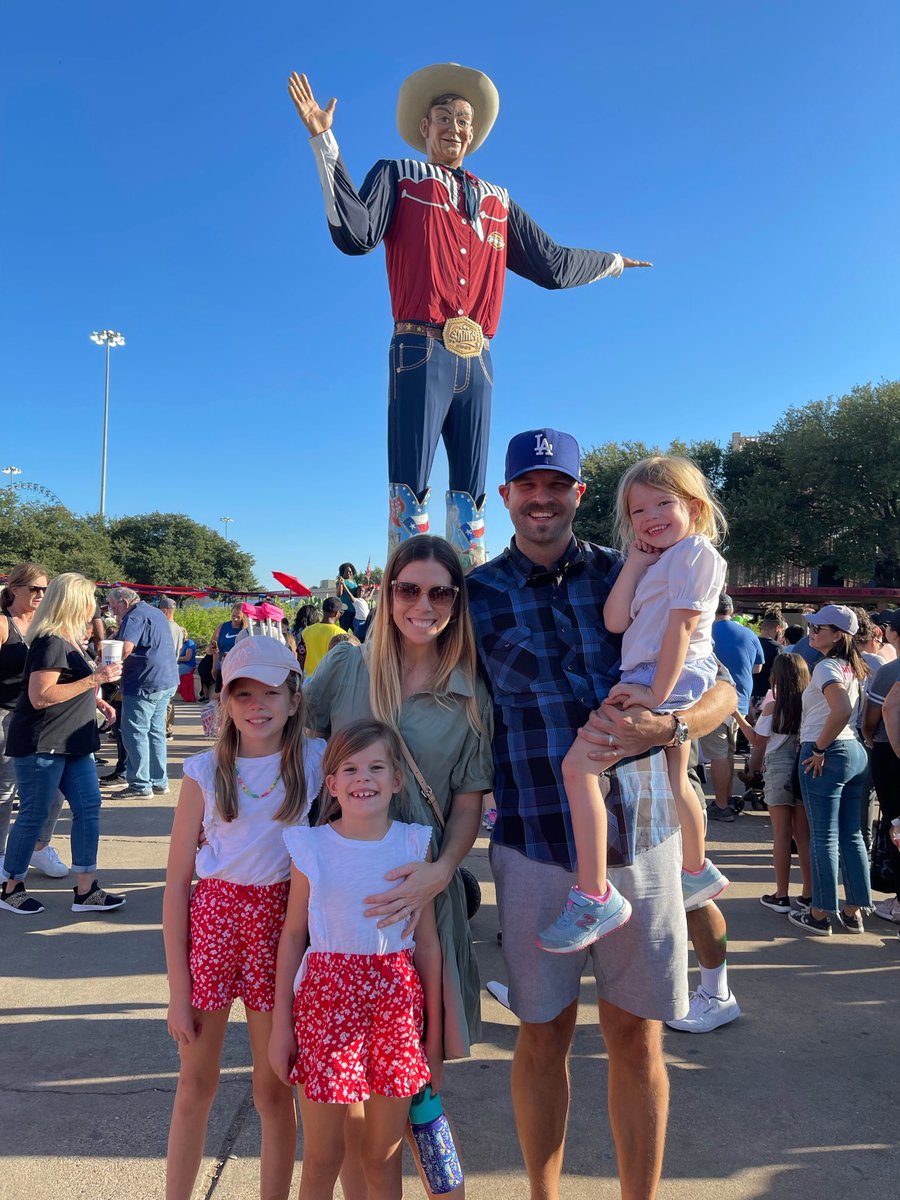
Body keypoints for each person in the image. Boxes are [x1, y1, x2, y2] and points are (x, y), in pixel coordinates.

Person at [467, 429, 738, 1199]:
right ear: (508, 496)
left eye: (558, 484)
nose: (543, 497)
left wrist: (677, 725)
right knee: (542, 1036)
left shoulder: (645, 568)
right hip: (534, 845)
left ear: (579, 495)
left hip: (644, 838)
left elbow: (720, 687)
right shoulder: (478, 594)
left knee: (636, 1037)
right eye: (529, 485)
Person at [288, 64, 651, 565]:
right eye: (443, 117)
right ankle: (410, 592)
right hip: (419, 347)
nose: (454, 127)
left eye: (463, 120)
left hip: (478, 354)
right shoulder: (399, 176)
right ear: (424, 128)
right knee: (410, 488)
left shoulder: (498, 201)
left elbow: (553, 264)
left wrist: (612, 263)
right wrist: (325, 142)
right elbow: (355, 233)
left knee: (472, 494)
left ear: (473, 133)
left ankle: (470, 598)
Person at [303, 535, 492, 1197]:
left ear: (457, 601)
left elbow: (468, 805)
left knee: (413, 1097)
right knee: (350, 1114)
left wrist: (443, 872)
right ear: (386, 595)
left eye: (441, 591)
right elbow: (298, 730)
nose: (424, 604)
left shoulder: (468, 692)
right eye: (409, 589)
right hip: (341, 904)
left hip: (420, 902)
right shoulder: (347, 667)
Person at [538, 455, 729, 953]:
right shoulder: (662, 560)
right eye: (637, 510)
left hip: (660, 679)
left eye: (662, 503)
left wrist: (655, 696)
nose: (650, 517)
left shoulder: (695, 554)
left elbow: (683, 629)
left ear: (694, 505)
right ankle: (696, 868)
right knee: (676, 774)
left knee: (579, 769)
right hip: (650, 676)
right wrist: (638, 563)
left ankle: (595, 893)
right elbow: (617, 620)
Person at [162, 635, 326, 1200]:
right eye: (242, 693)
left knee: (274, 1087)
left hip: (281, 927)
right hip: (214, 922)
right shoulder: (205, 771)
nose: (257, 705)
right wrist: (178, 990)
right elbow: (178, 883)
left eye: (270, 693)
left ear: (294, 697)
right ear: (225, 699)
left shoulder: (317, 759)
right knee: (195, 1082)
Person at [269, 721, 443, 1200]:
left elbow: (427, 945)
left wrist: (435, 1034)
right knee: (323, 1157)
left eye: (375, 767)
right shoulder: (312, 847)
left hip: (396, 1009)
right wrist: (282, 1024)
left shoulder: (413, 844)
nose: (362, 778)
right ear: (332, 784)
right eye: (349, 768)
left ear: (396, 781)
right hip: (326, 1006)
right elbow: (292, 935)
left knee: (381, 1154)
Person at [0, 572, 125, 916]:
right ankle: (11, 887)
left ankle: (86, 889)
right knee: (34, 814)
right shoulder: (52, 640)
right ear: (74, 602)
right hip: (43, 741)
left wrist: (98, 699)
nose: (94, 608)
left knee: (88, 809)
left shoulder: (69, 639)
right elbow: (40, 696)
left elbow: (70, 684)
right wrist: (97, 678)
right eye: (89, 599)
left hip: (73, 741)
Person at [788, 605, 872, 936]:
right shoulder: (854, 666)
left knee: (823, 835)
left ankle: (821, 912)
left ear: (838, 635)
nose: (812, 631)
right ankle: (853, 910)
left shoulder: (826, 668)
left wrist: (820, 747)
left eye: (818, 628)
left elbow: (842, 709)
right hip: (853, 751)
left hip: (827, 750)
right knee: (851, 834)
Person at [0, 562, 69, 879]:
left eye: (46, 589)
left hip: (42, 718)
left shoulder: (48, 626)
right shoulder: (4, 624)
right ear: (15, 589)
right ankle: (2, 856)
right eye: (35, 589)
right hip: (5, 714)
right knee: (5, 790)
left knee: (52, 790)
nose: (42, 595)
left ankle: (38, 849)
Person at [751, 653, 813, 911]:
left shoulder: (773, 705)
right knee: (803, 836)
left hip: (777, 768)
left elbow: (757, 740)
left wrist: (736, 714)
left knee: (781, 834)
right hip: (804, 766)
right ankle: (809, 892)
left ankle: (781, 894)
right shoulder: (810, 704)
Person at [106, 587, 179, 799]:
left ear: (124, 604)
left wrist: (108, 661)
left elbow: (126, 647)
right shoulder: (154, 612)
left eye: (113, 607)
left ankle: (139, 785)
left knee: (134, 732)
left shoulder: (134, 616)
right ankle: (158, 781)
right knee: (155, 731)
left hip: (143, 682)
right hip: (165, 680)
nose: (113, 613)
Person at [703, 593, 764, 821]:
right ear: (730, 610)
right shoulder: (749, 634)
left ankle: (721, 804)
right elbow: (757, 667)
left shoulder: (705, 632)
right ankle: (725, 799)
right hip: (739, 700)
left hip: (713, 701)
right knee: (728, 752)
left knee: (718, 754)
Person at [862, 609, 900, 924]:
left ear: (893, 634)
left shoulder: (890, 671)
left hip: (890, 751)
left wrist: (870, 740)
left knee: (897, 824)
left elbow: (871, 720)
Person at [301, 597, 345, 677]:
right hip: (329, 680)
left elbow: (301, 655)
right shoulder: (341, 634)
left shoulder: (306, 631)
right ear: (337, 613)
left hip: (308, 680)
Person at [211, 604, 245, 692]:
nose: (235, 619)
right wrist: (214, 666)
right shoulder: (223, 626)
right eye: (233, 616)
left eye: (238, 617)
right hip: (221, 665)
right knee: (219, 693)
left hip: (237, 667)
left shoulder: (245, 630)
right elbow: (214, 647)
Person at [336, 562, 359, 632]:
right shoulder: (342, 581)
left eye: (350, 571)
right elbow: (339, 594)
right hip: (345, 611)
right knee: (344, 631)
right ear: (342, 572)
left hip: (354, 611)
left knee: (356, 631)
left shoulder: (354, 582)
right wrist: (341, 583)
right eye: (347, 572)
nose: (349, 573)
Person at [176, 633, 197, 702]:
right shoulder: (178, 642)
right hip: (179, 663)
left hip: (188, 665)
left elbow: (187, 658)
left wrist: (175, 658)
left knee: (173, 673)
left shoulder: (189, 643)